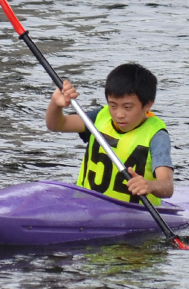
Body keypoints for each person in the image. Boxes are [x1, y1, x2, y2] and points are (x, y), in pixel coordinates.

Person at [46, 63, 173, 205]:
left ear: (148, 104)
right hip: (86, 206)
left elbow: (167, 186)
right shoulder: (101, 116)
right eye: (113, 105)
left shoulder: (157, 136)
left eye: (127, 107)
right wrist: (56, 104)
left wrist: (150, 185)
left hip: (134, 216)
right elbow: (57, 125)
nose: (119, 114)